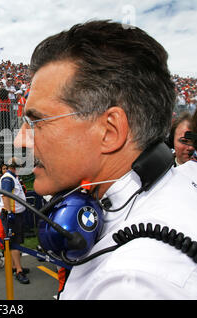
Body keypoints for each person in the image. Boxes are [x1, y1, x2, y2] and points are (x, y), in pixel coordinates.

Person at [14, 20, 197, 299]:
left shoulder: (132, 283)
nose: (21, 140)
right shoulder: (181, 182)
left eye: (37, 121)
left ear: (110, 131)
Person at [0, 157, 30, 284]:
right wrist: (9, 212)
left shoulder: (13, 177)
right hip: (12, 215)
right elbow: (5, 195)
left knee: (14, 242)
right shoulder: (8, 178)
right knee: (14, 243)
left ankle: (14, 266)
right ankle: (19, 270)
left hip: (16, 214)